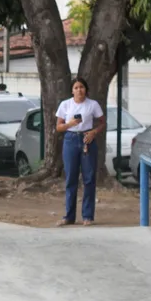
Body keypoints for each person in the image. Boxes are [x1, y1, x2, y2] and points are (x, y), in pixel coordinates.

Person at [55, 77, 105, 226]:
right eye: (76, 88)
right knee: (71, 178)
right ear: (72, 90)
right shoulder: (65, 105)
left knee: (89, 178)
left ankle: (87, 216)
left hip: (86, 139)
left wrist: (94, 132)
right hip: (70, 139)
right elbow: (58, 127)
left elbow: (102, 122)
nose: (79, 90)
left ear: (86, 89)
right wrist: (69, 124)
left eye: (81, 87)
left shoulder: (92, 104)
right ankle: (69, 216)